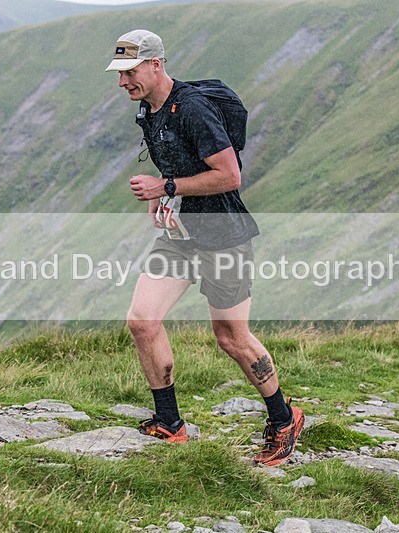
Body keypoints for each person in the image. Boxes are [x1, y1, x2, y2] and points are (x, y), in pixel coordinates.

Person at [105, 29, 304, 467]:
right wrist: (163, 194)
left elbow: (229, 175)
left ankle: (283, 418)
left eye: (130, 72)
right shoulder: (148, 109)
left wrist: (167, 185)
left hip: (223, 236)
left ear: (155, 65)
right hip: (179, 236)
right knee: (142, 321)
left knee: (231, 337)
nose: (123, 82)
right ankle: (170, 422)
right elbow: (173, 161)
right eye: (119, 74)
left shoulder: (193, 110)